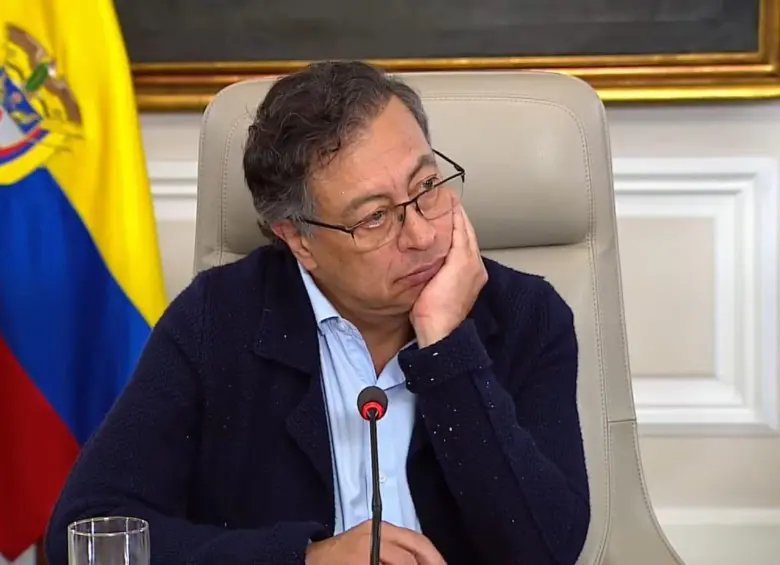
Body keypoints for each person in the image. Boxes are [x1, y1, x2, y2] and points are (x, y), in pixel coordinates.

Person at [45, 61, 590, 565]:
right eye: (375, 218)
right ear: (298, 239)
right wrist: (302, 559)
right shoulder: (218, 320)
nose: (423, 235)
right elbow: (88, 532)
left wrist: (447, 348)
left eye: (427, 187)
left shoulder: (526, 317)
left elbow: (546, 550)